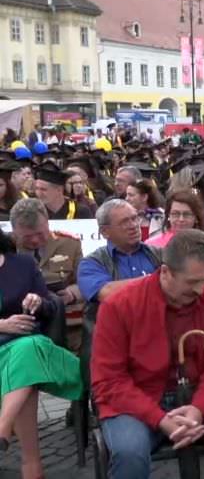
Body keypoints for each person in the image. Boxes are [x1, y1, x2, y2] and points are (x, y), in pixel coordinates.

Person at [90, 230, 204, 479]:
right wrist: (160, 419)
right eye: (192, 282)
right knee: (129, 452)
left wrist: (198, 408)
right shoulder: (119, 306)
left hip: (198, 393)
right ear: (166, 272)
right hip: (135, 397)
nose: (201, 290)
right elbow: (109, 380)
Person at [0, 226, 81, 478]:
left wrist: (37, 301)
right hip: (16, 351)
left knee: (27, 351)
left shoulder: (22, 264)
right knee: (26, 366)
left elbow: (49, 305)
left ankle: (3, 430)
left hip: (29, 345)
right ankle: (31, 466)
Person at [9, 199, 85, 351]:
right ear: (14, 231)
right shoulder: (5, 249)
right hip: (19, 323)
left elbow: (84, 281)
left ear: (47, 223)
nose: (35, 240)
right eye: (27, 237)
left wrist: (72, 293)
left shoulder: (70, 243)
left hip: (67, 322)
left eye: (40, 234)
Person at [77, 199, 162, 312]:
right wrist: (155, 281)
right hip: (113, 327)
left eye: (135, 218)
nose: (134, 225)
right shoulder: (91, 263)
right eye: (124, 222)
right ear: (105, 231)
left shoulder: (159, 254)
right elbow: (107, 293)